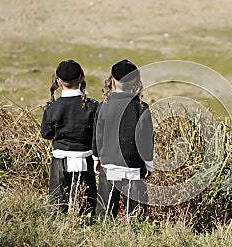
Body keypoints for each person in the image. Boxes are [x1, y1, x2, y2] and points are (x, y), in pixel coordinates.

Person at [93, 59, 154, 221]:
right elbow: (146, 140)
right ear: (136, 81)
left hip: (108, 165)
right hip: (133, 168)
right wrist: (149, 164)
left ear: (112, 80)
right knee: (135, 218)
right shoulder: (141, 108)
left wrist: (96, 157)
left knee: (104, 216)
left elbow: (97, 135)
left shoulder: (103, 106)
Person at [41, 59, 99, 217]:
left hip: (60, 160)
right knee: (86, 207)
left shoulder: (53, 107)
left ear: (58, 82)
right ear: (81, 78)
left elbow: (46, 134)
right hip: (85, 159)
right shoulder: (93, 106)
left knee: (57, 207)